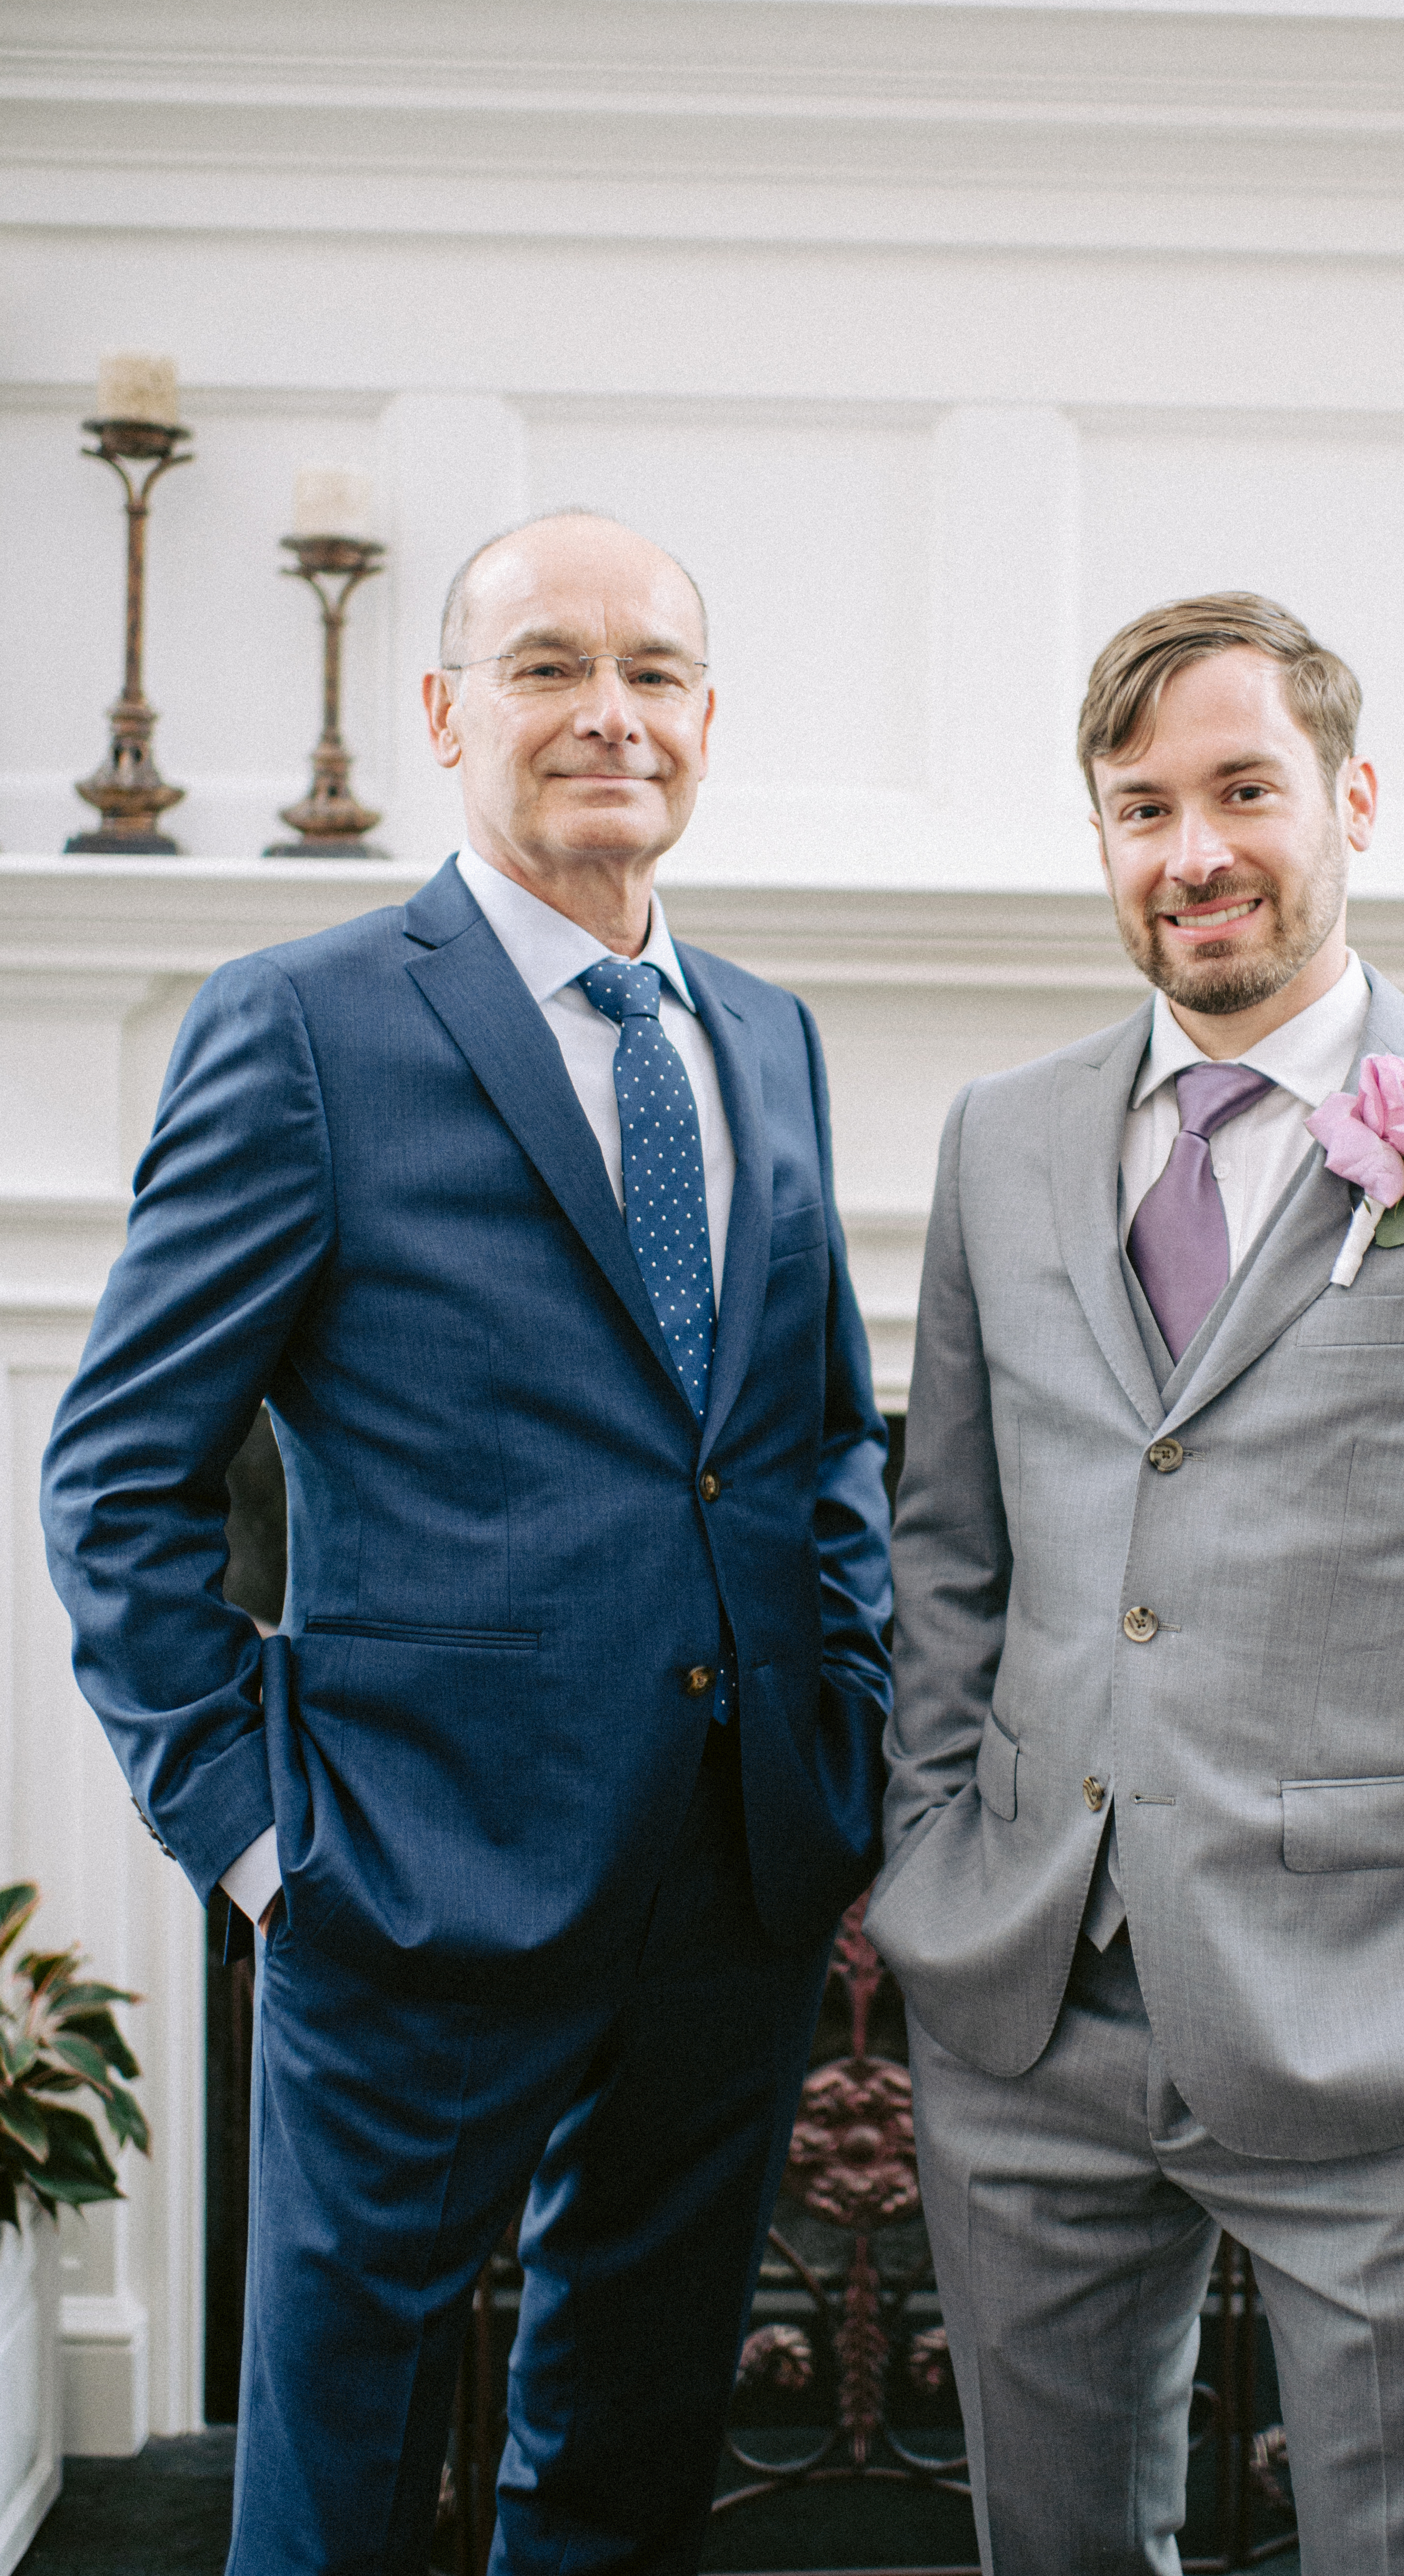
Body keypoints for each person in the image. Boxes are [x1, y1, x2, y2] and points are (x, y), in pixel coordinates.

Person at [42, 511, 892, 2576]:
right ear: (445, 711)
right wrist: (256, 1840)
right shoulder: (304, 1027)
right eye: (547, 666)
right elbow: (118, 1478)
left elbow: (811, 1436)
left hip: (734, 1882)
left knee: (629, 2450)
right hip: (403, 1884)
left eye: (654, 671)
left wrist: (844, 1722)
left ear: (706, 720)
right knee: (338, 2479)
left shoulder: (763, 1034)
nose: (610, 712)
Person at [866, 592, 1404, 2576]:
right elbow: (949, 1546)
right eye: (1139, 806)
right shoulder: (1001, 1143)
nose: (1194, 850)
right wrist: (933, 1862)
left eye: (1244, 788)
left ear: (1352, 799)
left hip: (1393, 2031)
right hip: (1029, 2009)